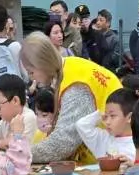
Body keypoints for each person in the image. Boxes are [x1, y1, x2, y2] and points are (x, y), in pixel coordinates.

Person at [20, 32, 121, 164]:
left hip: (112, 158)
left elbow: (63, 143)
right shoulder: (71, 68)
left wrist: (22, 154)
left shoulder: (75, 85)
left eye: (31, 72)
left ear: (43, 63)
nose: (31, 77)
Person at [0, 72, 37, 141]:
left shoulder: (28, 118)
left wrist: (0, 144)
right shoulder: (6, 121)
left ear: (15, 101)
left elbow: (20, 146)